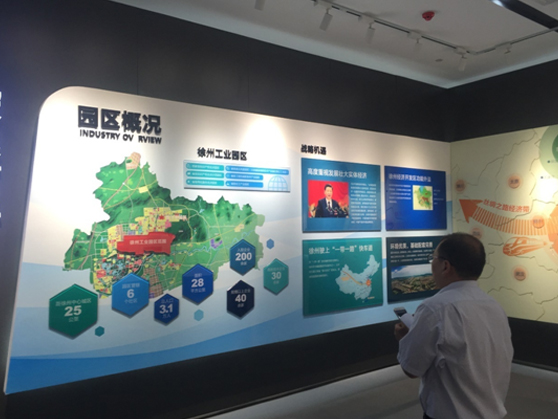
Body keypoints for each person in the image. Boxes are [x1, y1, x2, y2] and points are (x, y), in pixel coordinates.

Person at [394, 233, 513, 419]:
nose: (431, 264)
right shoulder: (495, 306)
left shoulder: (435, 308)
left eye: (433, 258)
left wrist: (404, 339)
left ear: (445, 266)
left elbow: (411, 369)